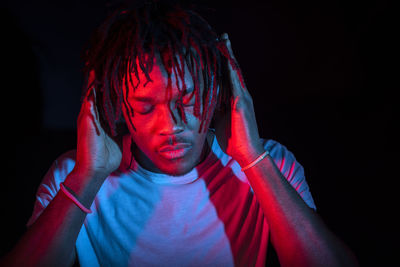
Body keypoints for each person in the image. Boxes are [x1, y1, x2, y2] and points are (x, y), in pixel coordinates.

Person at [2, 1, 358, 266]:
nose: (171, 125)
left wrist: (253, 160)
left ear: (219, 89)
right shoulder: (73, 178)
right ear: (115, 105)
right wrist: (86, 178)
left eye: (187, 100)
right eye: (145, 107)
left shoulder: (271, 164)